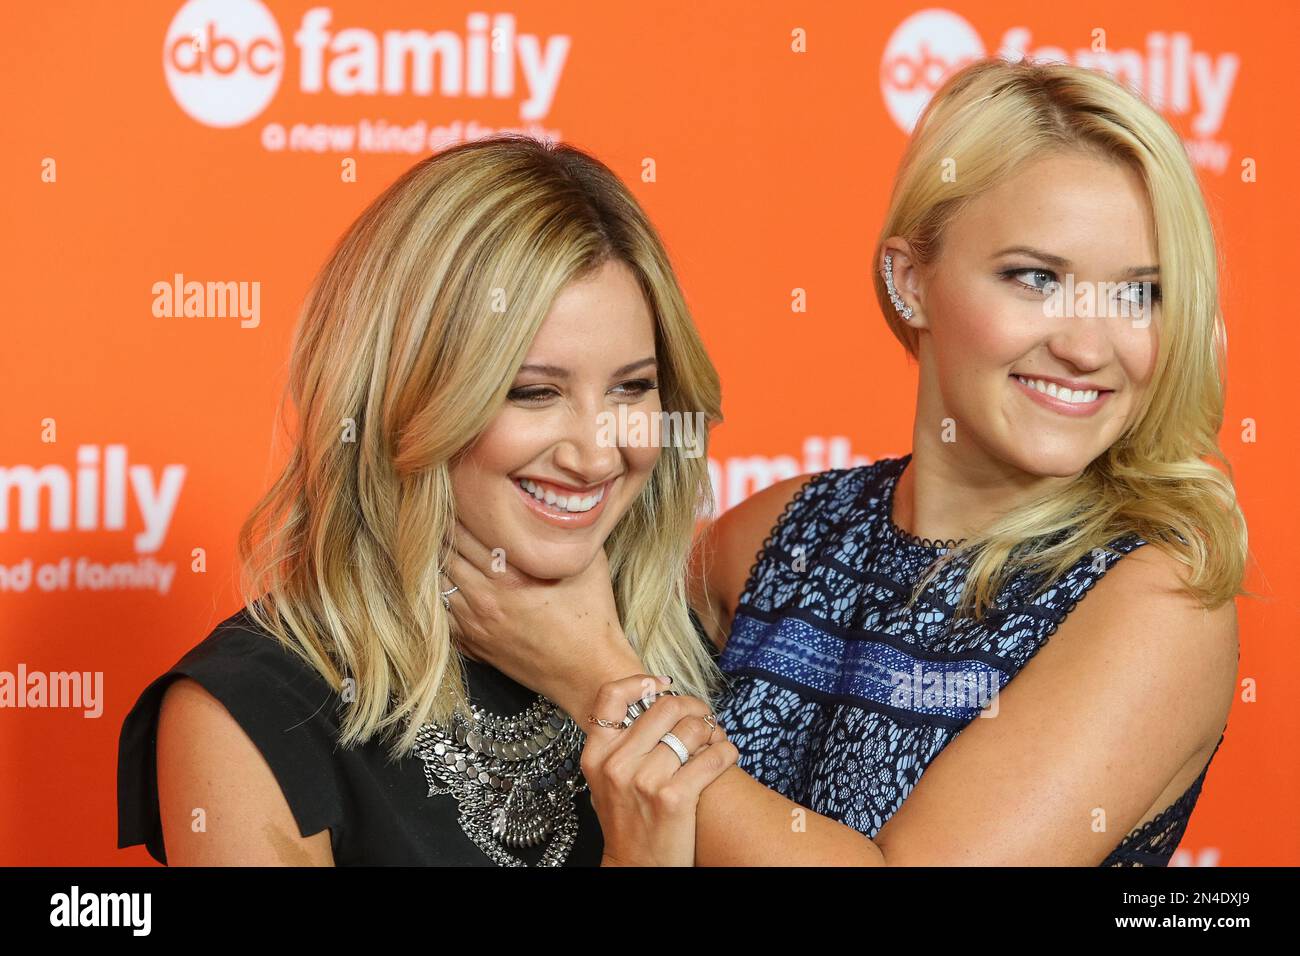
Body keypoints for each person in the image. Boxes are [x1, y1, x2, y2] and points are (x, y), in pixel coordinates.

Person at [443, 58, 1250, 866]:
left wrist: (597, 683)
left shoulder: (1158, 602)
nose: (1087, 347)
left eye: (1138, 294)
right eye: (1037, 278)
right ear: (911, 280)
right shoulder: (781, 533)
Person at [116, 133, 736, 866]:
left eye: (632, 388)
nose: (599, 454)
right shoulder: (252, 710)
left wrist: (606, 676)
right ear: (404, 397)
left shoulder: (703, 642)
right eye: (534, 393)